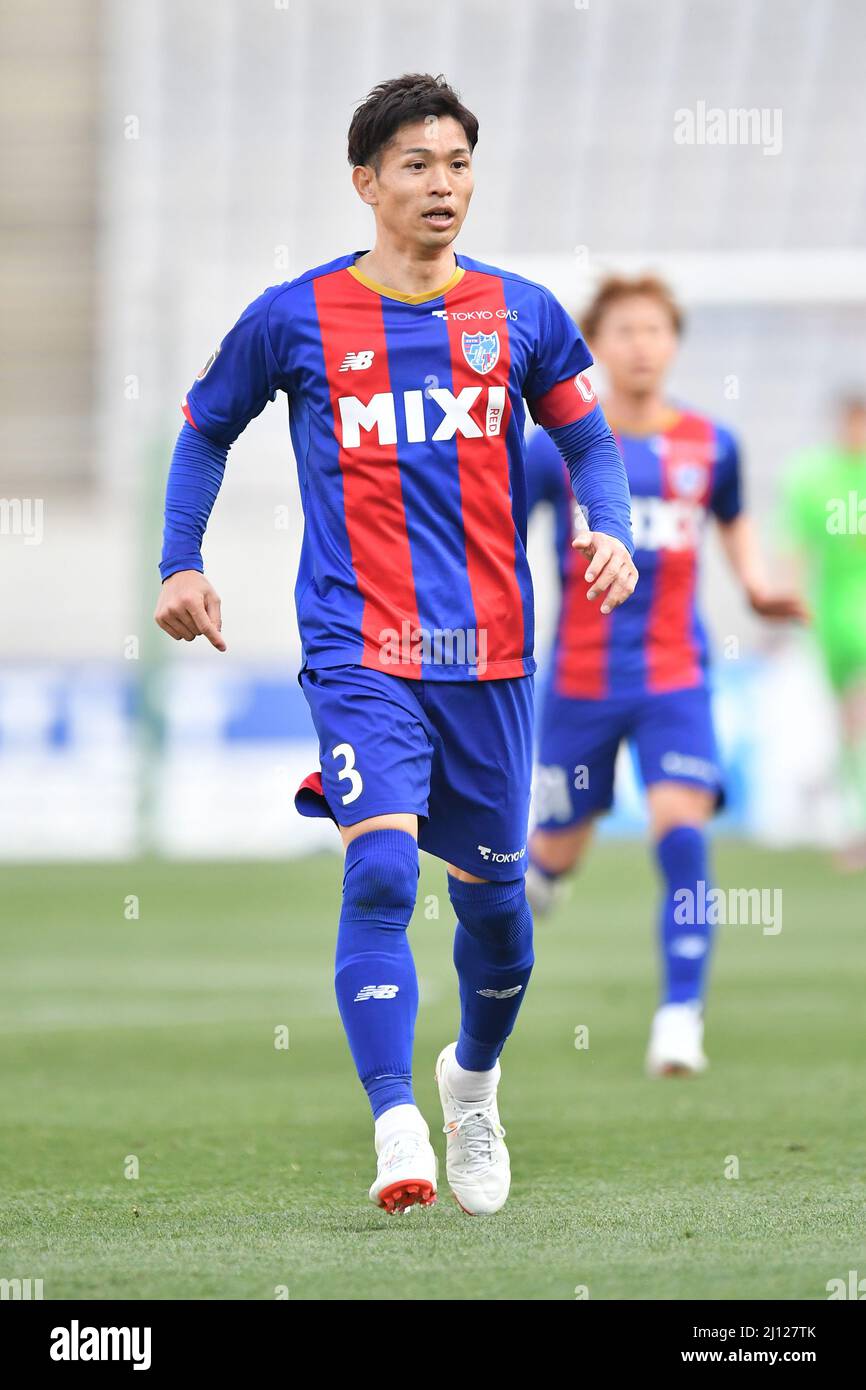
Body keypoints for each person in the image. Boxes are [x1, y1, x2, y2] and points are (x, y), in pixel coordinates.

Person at [155, 74, 636, 1214]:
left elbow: (590, 444)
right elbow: (202, 428)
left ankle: (468, 1083)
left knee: (497, 917)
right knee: (376, 867)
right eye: (416, 164)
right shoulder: (296, 314)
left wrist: (606, 528)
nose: (441, 184)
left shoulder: (518, 314)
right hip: (359, 643)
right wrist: (181, 560)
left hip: (488, 655)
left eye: (457, 162)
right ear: (365, 181)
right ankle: (394, 1123)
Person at [524, 275, 805, 1075]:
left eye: (654, 330)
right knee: (552, 856)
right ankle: (545, 879)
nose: (641, 345)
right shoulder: (556, 447)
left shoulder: (711, 446)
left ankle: (680, 1016)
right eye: (623, 331)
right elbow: (499, 541)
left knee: (682, 835)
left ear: (674, 341)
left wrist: (756, 588)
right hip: (578, 682)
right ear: (596, 347)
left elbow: (735, 522)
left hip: (674, 678)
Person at [779, 395, 866, 870]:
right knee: (848, 725)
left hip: (861, 611)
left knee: (859, 711)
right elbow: (795, 546)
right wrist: (793, 606)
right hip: (831, 614)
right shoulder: (813, 477)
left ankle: (857, 826)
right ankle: (854, 823)